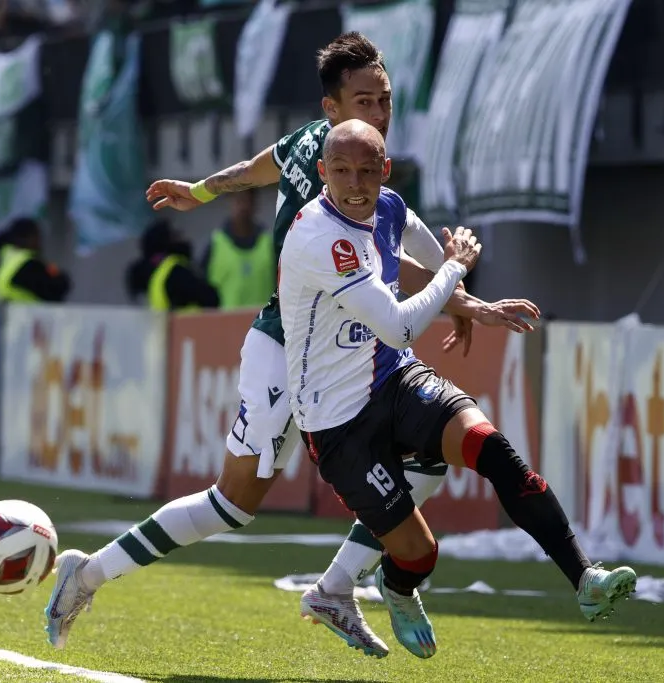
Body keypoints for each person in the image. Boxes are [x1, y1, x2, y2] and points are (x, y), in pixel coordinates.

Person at [44, 32, 537, 656]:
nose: (380, 113)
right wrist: (457, 294)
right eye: (365, 100)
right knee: (232, 504)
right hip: (289, 350)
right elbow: (276, 182)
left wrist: (199, 190)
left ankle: (334, 588)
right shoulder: (329, 163)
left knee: (430, 455)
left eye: (385, 99)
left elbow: (273, 177)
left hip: (360, 351)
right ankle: (86, 574)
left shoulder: (348, 159)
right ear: (331, 109)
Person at [278, 120, 637, 659]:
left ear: (386, 170)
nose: (356, 184)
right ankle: (393, 588)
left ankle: (585, 579)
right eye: (343, 172)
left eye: (368, 171)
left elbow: (428, 254)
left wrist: (472, 304)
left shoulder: (391, 206)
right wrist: (454, 271)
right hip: (337, 420)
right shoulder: (319, 237)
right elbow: (402, 320)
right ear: (323, 172)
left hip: (392, 377)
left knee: (490, 446)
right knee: (420, 556)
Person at [199, 190, 275, 310]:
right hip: (224, 326)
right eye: (239, 200)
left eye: (248, 200)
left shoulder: (270, 244)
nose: (244, 206)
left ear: (255, 204)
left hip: (263, 326)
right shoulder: (215, 244)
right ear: (230, 202)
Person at [125, 220, 219, 311]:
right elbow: (212, 299)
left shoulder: (157, 278)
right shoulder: (175, 273)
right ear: (166, 243)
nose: (182, 238)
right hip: (193, 326)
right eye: (175, 235)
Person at [0, 218, 71, 303]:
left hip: (5, 313)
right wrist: (56, 274)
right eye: (37, 236)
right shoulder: (28, 263)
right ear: (28, 237)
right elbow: (56, 289)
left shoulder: (3, 257)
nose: (40, 242)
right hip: (27, 315)